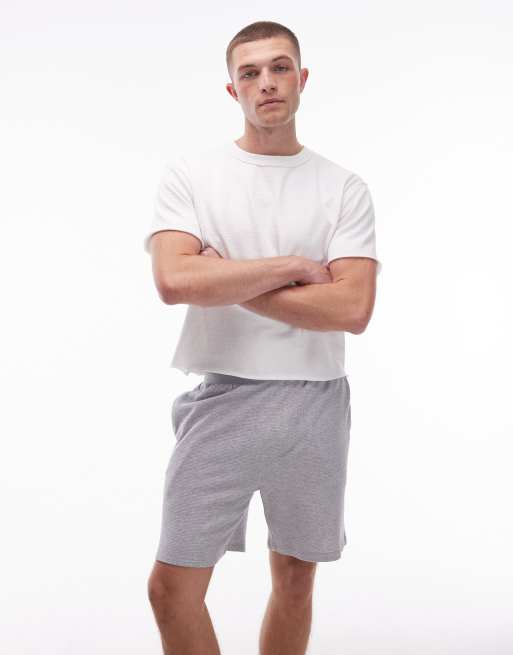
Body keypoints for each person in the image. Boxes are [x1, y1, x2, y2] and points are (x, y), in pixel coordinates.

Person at [144, 20, 382, 655]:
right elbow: (173, 280)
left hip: (316, 400)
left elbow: (352, 306)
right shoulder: (192, 176)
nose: (266, 83)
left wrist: (225, 277)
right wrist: (294, 268)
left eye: (279, 68)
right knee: (171, 589)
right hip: (224, 398)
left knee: (296, 579)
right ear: (233, 89)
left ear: (302, 79)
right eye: (249, 73)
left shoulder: (343, 187)